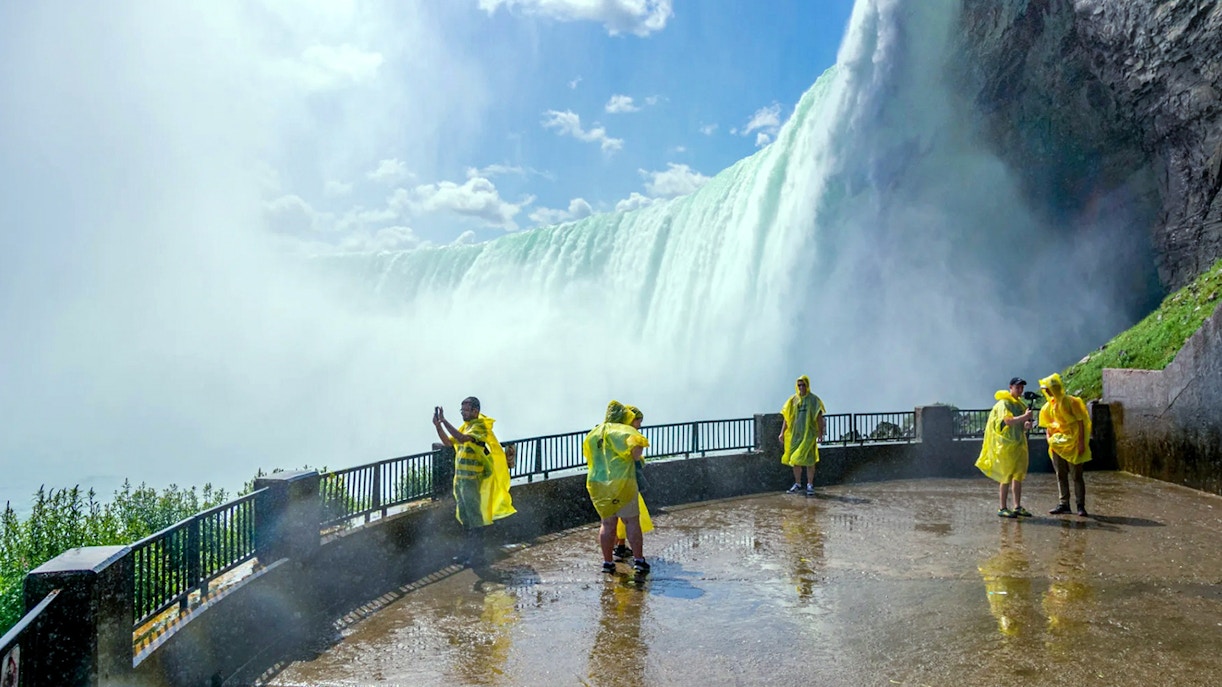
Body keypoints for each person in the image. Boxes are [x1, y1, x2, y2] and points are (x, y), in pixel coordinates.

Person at [432, 396, 515, 566]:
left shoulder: (479, 428)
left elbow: (463, 439)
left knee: (475, 521)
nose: (463, 413)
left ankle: (477, 555)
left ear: (475, 411)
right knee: (465, 520)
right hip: (461, 482)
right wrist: (438, 425)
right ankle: (466, 553)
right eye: (462, 410)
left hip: (472, 481)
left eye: (466, 410)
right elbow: (449, 442)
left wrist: (445, 421)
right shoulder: (466, 427)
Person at [584, 400, 651, 575]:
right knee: (631, 521)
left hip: (598, 483)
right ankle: (639, 561)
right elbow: (636, 454)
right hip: (622, 483)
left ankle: (607, 563)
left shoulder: (593, 433)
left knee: (607, 523)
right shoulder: (622, 431)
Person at [974, 377, 1036, 518]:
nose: (1020, 390)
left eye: (1022, 388)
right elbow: (1007, 421)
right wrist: (1025, 416)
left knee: (1018, 476)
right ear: (1011, 387)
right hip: (1007, 446)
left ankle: (1017, 506)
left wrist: (1027, 424)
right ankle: (1002, 507)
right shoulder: (1004, 404)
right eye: (1018, 387)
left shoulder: (1020, 404)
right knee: (1006, 476)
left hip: (1019, 444)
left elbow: (1022, 425)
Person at [1038, 373, 1092, 516]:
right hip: (1057, 444)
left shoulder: (1071, 402)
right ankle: (1064, 503)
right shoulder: (1048, 406)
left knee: (1076, 475)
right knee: (1060, 474)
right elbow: (1048, 425)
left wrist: (1081, 442)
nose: (1046, 391)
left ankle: (1080, 505)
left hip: (1073, 442)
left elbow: (1081, 421)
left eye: (1048, 388)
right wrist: (1049, 439)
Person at [612, 405, 654, 561]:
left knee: (616, 518)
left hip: (611, 482)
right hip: (625, 480)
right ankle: (632, 555)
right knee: (628, 518)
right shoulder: (627, 436)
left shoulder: (613, 434)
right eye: (638, 421)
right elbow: (634, 457)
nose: (640, 425)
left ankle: (620, 546)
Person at [778, 375, 825, 496]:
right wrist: (782, 432)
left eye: (803, 384)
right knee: (794, 460)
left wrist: (820, 432)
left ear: (807, 385)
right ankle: (798, 484)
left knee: (810, 460)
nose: (801, 387)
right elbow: (787, 418)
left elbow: (819, 417)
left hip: (808, 435)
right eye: (799, 385)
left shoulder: (813, 400)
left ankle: (810, 485)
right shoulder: (793, 400)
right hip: (795, 435)